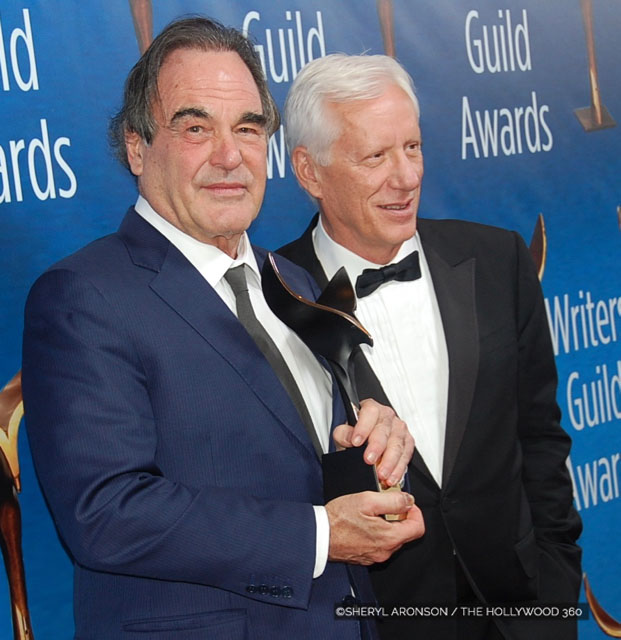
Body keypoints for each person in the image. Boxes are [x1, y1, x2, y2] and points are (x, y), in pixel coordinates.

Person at [21, 21, 425, 640]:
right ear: (137, 146)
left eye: (247, 127)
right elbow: (105, 513)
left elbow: (292, 450)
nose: (229, 155)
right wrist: (320, 535)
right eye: (195, 128)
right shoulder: (84, 297)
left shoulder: (291, 279)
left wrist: (373, 442)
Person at [278, 53, 582, 640]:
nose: (406, 176)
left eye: (412, 148)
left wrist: (556, 593)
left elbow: (540, 440)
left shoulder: (497, 260)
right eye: (376, 156)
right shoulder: (274, 299)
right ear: (310, 172)